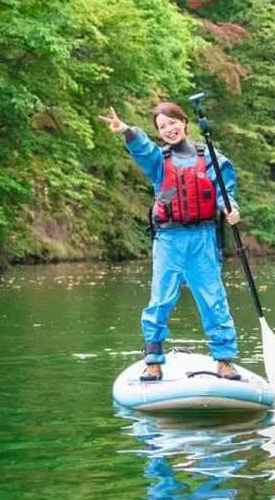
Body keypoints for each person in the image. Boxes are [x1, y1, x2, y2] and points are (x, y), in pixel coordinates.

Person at [99, 102, 242, 382]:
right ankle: (153, 359)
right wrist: (128, 131)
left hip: (202, 238)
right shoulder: (158, 161)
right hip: (168, 239)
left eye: (172, 123)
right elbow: (142, 148)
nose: (168, 130)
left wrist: (230, 208)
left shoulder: (211, 157)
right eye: (162, 127)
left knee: (213, 299)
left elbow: (225, 190)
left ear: (184, 122)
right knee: (160, 299)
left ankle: (224, 360)